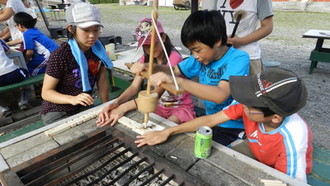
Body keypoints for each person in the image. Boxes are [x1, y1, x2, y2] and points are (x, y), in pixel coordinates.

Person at [135, 68, 313, 183]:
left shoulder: (293, 137)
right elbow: (210, 120)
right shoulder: (249, 105)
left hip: (281, 169)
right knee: (213, 163)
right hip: (255, 147)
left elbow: (289, 181)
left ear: (274, 118)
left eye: (247, 104)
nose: (241, 105)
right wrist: (169, 131)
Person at [130, 10, 250, 146]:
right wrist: (148, 66)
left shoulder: (239, 59)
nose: (195, 56)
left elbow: (220, 95)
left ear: (217, 41)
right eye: (191, 51)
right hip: (210, 120)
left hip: (233, 126)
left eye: (197, 50)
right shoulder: (199, 59)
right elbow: (174, 70)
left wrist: (178, 82)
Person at [96, 18, 196, 127]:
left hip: (179, 107)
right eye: (146, 46)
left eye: (153, 44)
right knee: (141, 125)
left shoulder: (174, 59)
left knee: (164, 128)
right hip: (158, 106)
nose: (150, 49)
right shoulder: (145, 60)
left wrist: (123, 107)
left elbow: (156, 94)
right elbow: (134, 87)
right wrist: (117, 102)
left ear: (163, 37)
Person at [40, 2, 113, 125]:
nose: (92, 36)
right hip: (57, 111)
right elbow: (46, 92)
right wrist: (72, 99)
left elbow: (102, 81)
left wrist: (106, 106)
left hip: (82, 106)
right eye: (86, 30)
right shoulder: (61, 55)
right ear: (71, 28)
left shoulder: (98, 51)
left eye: (96, 30)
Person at [203, 0, 273, 75]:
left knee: (248, 86)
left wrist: (241, 41)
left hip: (248, 57)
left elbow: (267, 27)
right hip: (220, 56)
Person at [14, 12, 58, 76]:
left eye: (16, 25)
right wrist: (8, 43)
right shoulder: (33, 30)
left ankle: (38, 81)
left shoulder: (26, 34)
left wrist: (25, 62)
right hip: (55, 52)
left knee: (28, 69)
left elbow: (29, 53)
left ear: (20, 25)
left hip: (50, 55)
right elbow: (21, 40)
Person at [0, 38, 28, 117]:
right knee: (25, 72)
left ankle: (2, 110)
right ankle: (23, 101)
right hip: (13, 74)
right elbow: (7, 50)